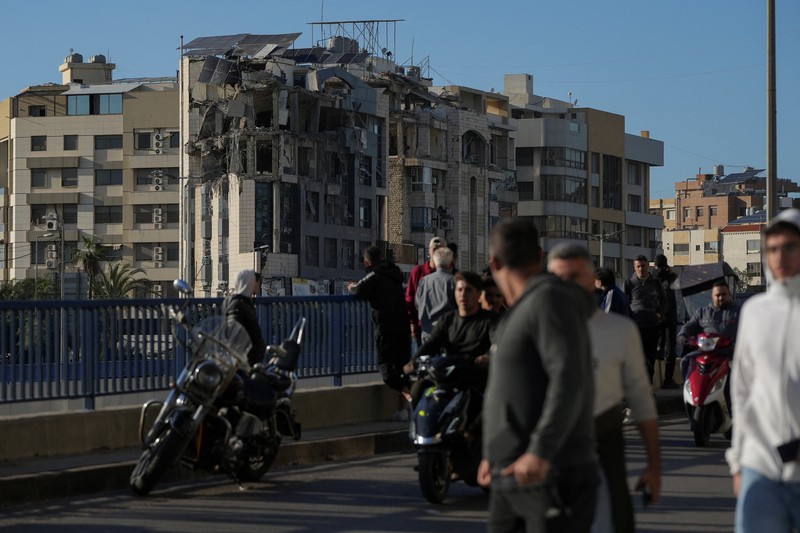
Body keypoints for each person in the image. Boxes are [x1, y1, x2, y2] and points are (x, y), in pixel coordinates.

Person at [478, 219, 598, 533]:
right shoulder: (519, 310)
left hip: (550, 473)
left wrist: (540, 451)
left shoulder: (548, 300)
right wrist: (492, 454)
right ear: (541, 256)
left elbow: (570, 377)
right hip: (511, 471)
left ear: (494, 262)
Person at [549, 243, 661, 533]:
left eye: (573, 277)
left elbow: (641, 400)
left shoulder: (620, 331)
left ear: (590, 280)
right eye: (558, 279)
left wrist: (653, 463)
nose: (566, 287)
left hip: (602, 447)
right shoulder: (535, 330)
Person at [726, 208, 800, 532]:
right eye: (772, 249)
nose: (779, 256)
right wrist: (739, 461)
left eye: (789, 247)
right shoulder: (755, 311)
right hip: (761, 467)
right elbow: (742, 389)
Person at [406, 271, 496, 409]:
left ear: (479, 294)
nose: (463, 294)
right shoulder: (447, 319)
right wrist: (413, 362)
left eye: (468, 290)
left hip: (474, 378)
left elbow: (497, 343)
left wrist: (487, 357)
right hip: (448, 375)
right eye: (460, 289)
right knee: (418, 389)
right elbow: (432, 343)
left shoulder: (489, 320)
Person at [347, 246, 411, 401]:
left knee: (386, 368)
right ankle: (406, 408)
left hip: (385, 328)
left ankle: (409, 396)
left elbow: (358, 289)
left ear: (366, 262)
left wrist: (350, 287)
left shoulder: (374, 276)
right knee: (402, 367)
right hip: (403, 325)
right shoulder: (395, 273)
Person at [624, 255, 667, 383]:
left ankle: (648, 384)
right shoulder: (629, 283)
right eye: (638, 266)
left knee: (650, 357)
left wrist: (660, 313)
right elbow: (625, 303)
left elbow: (664, 301)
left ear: (648, 266)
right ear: (634, 268)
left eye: (643, 266)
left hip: (652, 325)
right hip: (636, 325)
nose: (641, 269)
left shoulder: (655, 282)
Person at [405, 237, 447, 344]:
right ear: (429, 251)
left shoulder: (449, 275)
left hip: (445, 329)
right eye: (434, 250)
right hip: (423, 327)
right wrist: (412, 322)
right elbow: (410, 298)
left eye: (440, 250)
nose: (437, 253)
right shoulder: (418, 272)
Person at [223, 269, 266, 365]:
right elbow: (235, 333)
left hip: (250, 358)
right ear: (249, 283)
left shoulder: (245, 302)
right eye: (256, 282)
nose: (258, 286)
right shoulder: (238, 304)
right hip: (245, 359)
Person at [414, 246, 456, 343]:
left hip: (427, 333)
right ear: (451, 262)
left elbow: (417, 304)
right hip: (448, 333)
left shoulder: (424, 281)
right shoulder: (453, 281)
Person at [653, 254, 679, 388]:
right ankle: (668, 380)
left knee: (658, 346)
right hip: (670, 318)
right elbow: (678, 282)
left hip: (657, 317)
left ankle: (652, 379)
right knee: (671, 349)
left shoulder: (652, 278)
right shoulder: (671, 277)